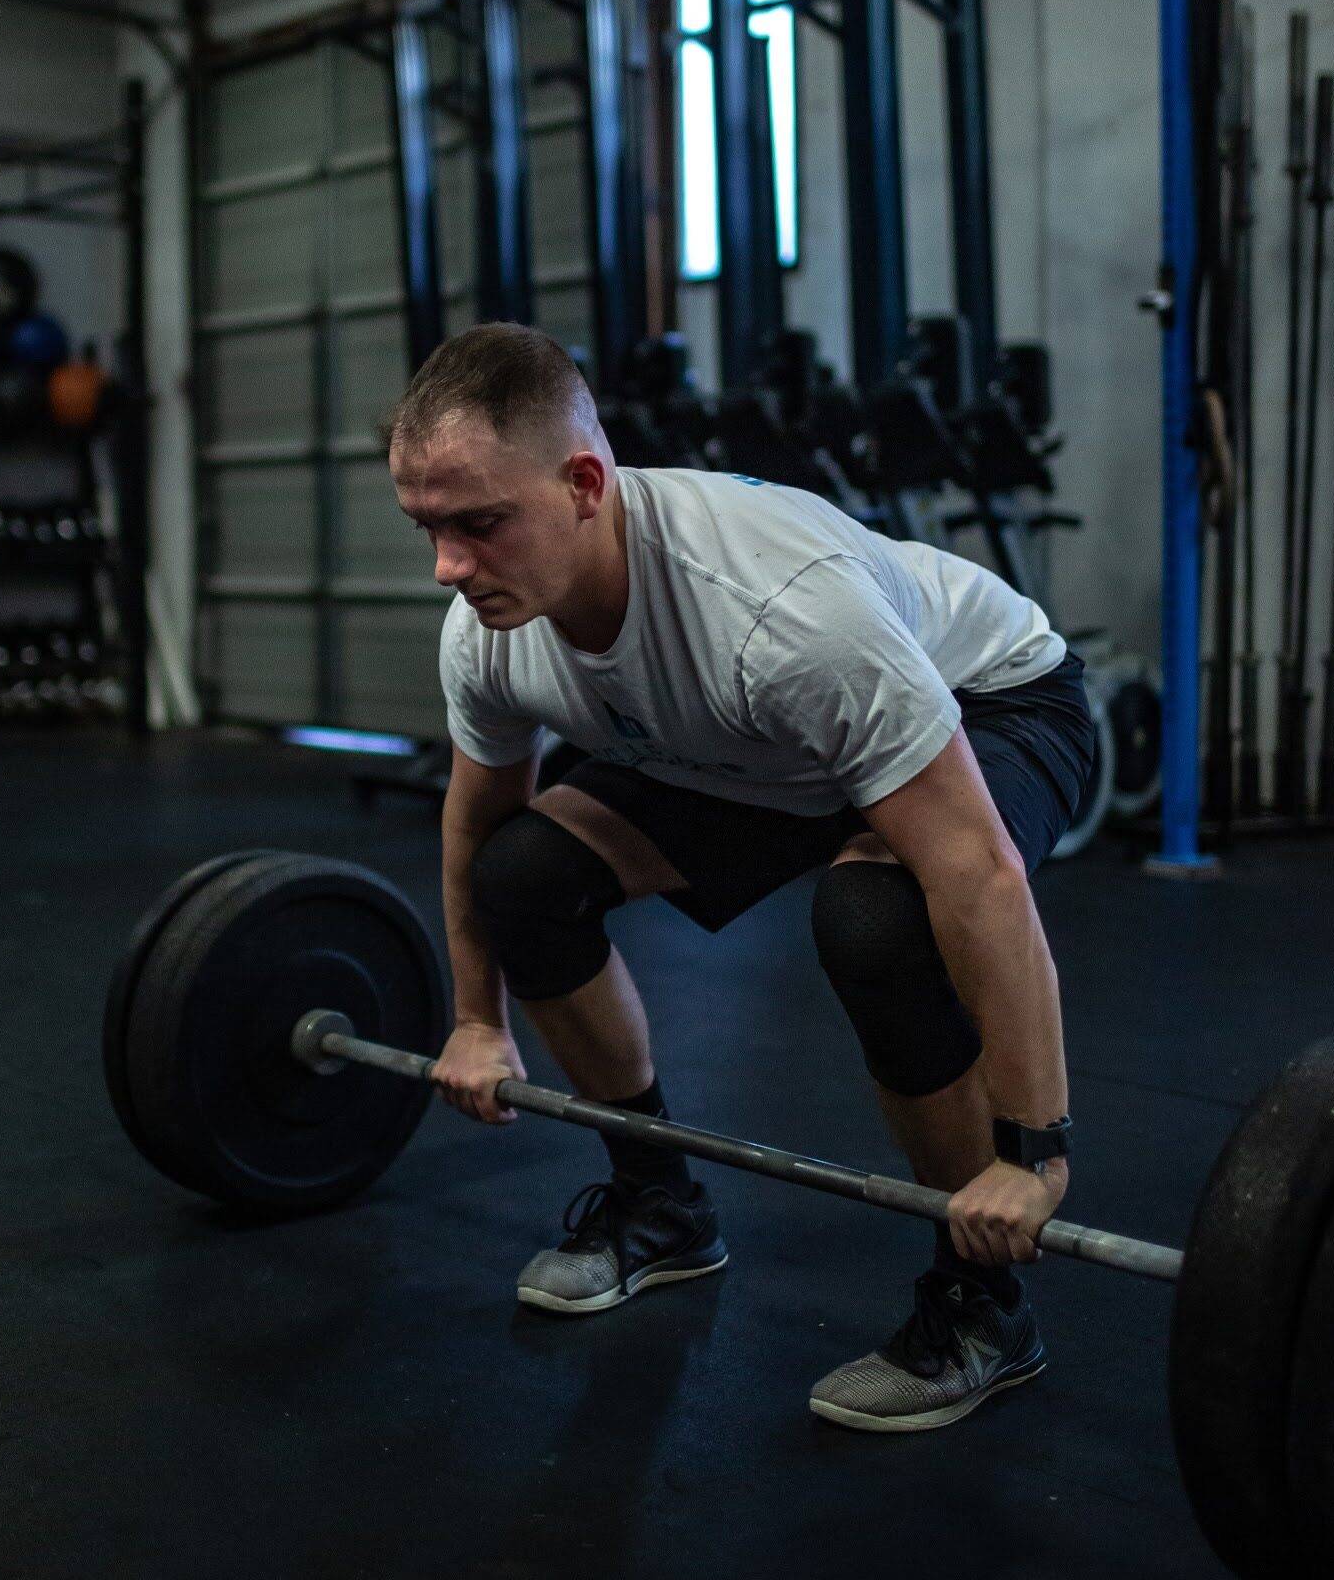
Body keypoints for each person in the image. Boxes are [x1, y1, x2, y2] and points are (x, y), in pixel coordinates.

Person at [383, 322, 1094, 1433]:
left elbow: (979, 876)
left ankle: (982, 1304)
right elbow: (477, 824)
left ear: (582, 484)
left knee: (874, 920)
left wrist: (1034, 1155)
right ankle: (657, 1202)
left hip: (989, 699)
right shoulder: (487, 628)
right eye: (427, 529)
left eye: (478, 526)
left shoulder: (777, 610)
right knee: (527, 876)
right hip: (767, 750)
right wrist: (475, 1020)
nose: (448, 567)